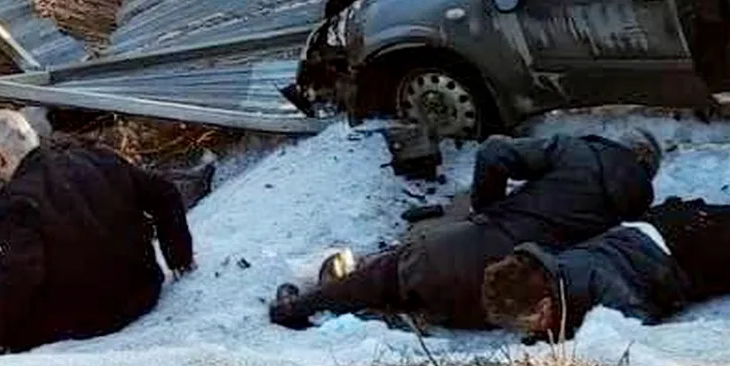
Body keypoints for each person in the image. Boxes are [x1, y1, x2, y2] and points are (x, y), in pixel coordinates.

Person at [269, 129, 662, 331]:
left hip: (475, 250)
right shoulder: (632, 212)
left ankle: (297, 309)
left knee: (395, 270)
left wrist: (486, 210)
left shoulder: (576, 151)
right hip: (509, 302)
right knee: (418, 284)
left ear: (617, 144)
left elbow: (493, 151)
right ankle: (398, 313)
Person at [481, 147, 730, 341]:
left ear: (545, 305)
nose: (525, 333)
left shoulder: (591, 279)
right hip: (661, 231)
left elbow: (634, 325)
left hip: (683, 248)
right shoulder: (549, 272)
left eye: (526, 324)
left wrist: (571, 341)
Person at [0, 110, 195, 355]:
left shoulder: (15, 201)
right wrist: (179, 256)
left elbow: (24, 275)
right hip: (140, 293)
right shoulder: (97, 158)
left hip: (78, 320)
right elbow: (166, 193)